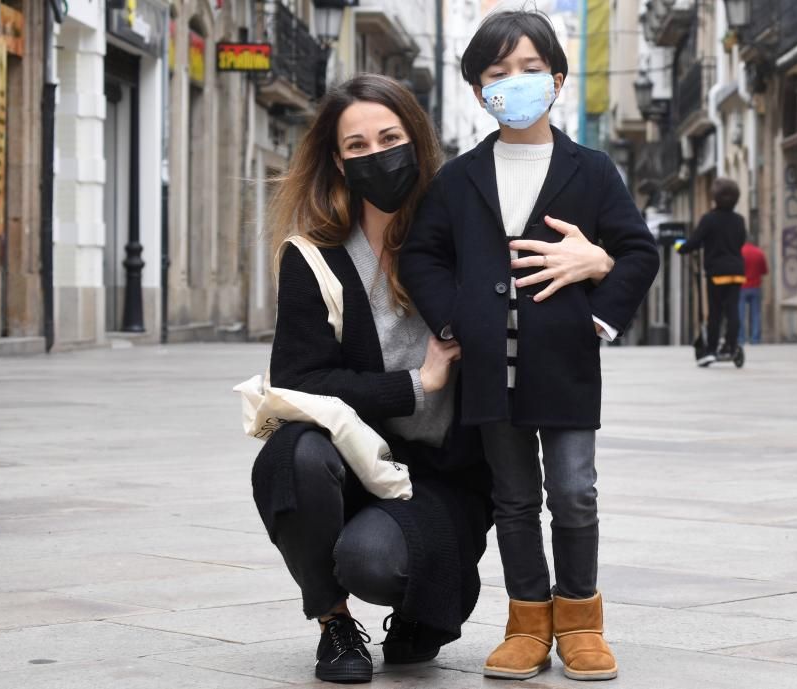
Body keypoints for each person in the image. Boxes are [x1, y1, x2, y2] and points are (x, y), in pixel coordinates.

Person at [251, 74, 618, 685]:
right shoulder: (314, 256)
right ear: (337, 161)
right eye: (358, 146)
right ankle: (333, 621)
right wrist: (417, 382)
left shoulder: (461, 227)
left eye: (390, 138)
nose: (377, 156)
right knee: (294, 457)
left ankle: (432, 606)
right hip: (350, 458)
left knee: (375, 561)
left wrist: (601, 263)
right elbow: (297, 378)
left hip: (439, 473)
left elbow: (552, 268)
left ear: (417, 143)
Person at [400, 10, 660, 682]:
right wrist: (454, 319)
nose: (514, 82)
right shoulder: (458, 179)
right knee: (513, 498)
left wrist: (598, 307)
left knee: (574, 491)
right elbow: (423, 255)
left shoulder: (592, 170)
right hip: (490, 369)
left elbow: (637, 251)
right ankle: (526, 622)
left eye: (529, 68)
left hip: (566, 362)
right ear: (478, 89)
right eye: (497, 72)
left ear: (557, 77)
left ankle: (579, 619)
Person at [678, 178, 747, 366]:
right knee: (733, 310)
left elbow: (695, 241)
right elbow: (741, 241)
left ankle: (711, 349)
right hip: (736, 270)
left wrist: (681, 248)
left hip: (716, 272)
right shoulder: (739, 220)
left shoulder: (709, 219)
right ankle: (732, 346)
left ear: (715, 198)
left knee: (715, 312)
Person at [739, 239, 768, 344]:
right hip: (755, 286)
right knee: (756, 314)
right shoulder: (759, 252)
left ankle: (741, 338)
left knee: (740, 314)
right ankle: (755, 338)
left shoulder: (740, 252)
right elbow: (764, 270)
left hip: (742, 286)